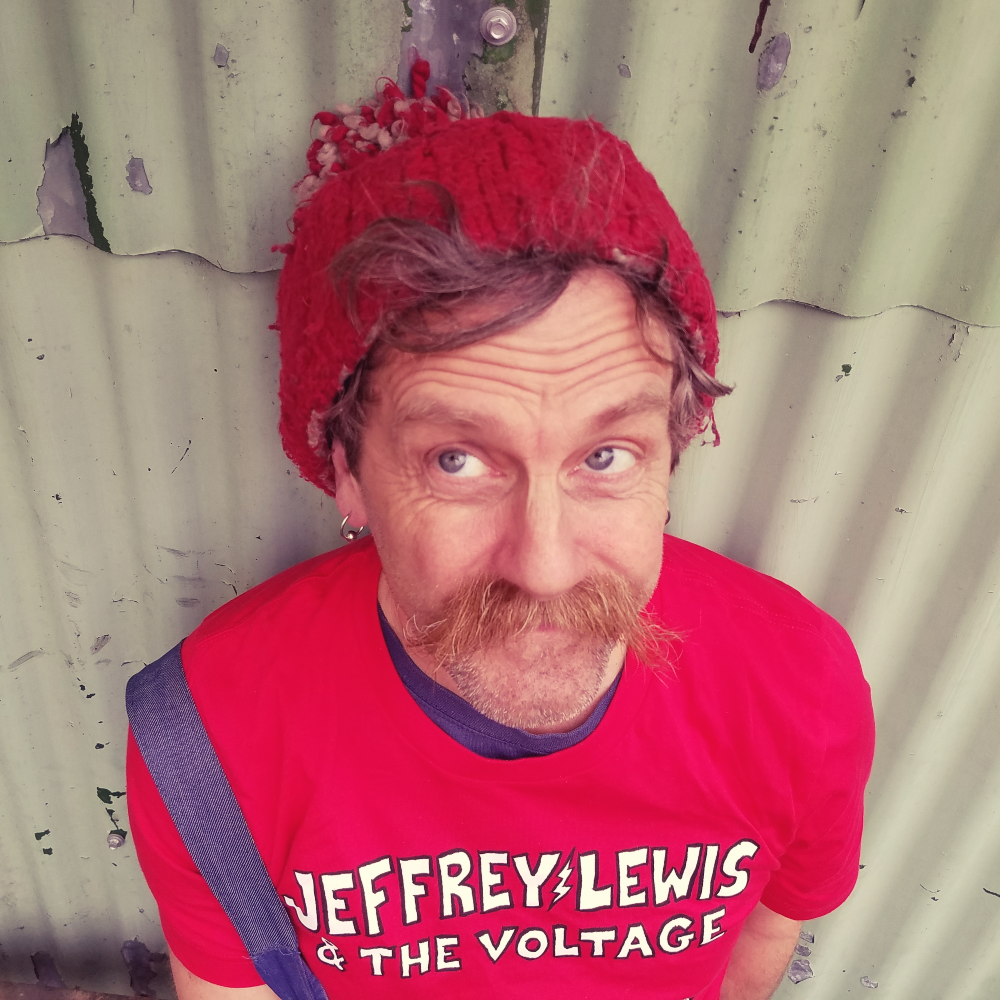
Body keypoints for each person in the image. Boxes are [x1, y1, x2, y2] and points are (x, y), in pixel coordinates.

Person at [126, 72, 875, 1000]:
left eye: (606, 455)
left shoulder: (800, 691)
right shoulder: (213, 736)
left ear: (672, 454)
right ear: (346, 471)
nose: (547, 567)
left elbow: (764, 936)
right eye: (457, 461)